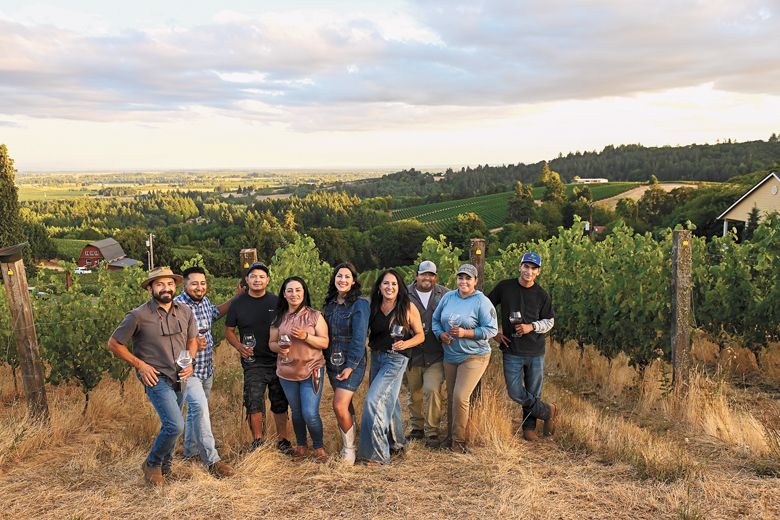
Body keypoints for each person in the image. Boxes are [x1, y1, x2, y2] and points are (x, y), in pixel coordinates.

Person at [107, 267, 198, 486]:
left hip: (180, 376)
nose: (165, 288)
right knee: (176, 425)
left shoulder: (185, 311)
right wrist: (140, 365)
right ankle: (152, 463)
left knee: (170, 423)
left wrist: (190, 361)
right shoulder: (138, 315)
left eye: (169, 284)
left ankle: (166, 469)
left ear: (174, 286)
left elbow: (192, 339)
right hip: (155, 377)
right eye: (159, 284)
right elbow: (113, 343)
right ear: (150, 288)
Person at [173, 266, 237, 477]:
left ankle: (190, 452)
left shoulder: (204, 302)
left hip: (206, 367)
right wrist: (190, 345)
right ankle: (213, 460)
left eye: (202, 283)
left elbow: (216, 313)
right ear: (185, 284)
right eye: (194, 283)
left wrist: (237, 298)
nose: (199, 287)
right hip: (188, 370)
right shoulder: (178, 307)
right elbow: (171, 341)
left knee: (195, 411)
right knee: (200, 409)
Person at [488, 252, 558, 441]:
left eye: (533, 268)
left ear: (538, 272)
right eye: (526, 266)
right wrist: (493, 332)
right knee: (514, 391)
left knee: (534, 391)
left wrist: (532, 327)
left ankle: (529, 429)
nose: (529, 271)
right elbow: (486, 307)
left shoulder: (542, 295)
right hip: (511, 348)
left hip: (535, 350)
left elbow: (549, 322)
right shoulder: (505, 287)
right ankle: (548, 410)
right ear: (520, 267)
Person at [358, 269, 425, 464]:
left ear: (399, 287)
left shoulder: (407, 307)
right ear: (379, 287)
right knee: (391, 401)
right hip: (377, 357)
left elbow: (420, 335)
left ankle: (377, 455)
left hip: (396, 359)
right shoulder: (374, 306)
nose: (390, 287)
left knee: (373, 401)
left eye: (394, 284)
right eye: (386, 283)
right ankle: (397, 443)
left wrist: (406, 343)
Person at [225, 262, 291, 453]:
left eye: (261, 276)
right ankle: (258, 441)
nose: (257, 280)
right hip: (253, 361)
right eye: (253, 276)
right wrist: (239, 346)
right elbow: (229, 331)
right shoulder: (238, 303)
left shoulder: (277, 302)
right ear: (247, 280)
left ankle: (283, 440)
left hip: (277, 360)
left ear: (267, 280)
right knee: (254, 401)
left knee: (279, 402)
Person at [432, 264, 498, 453]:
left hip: (474, 356)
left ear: (475, 281)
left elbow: (491, 330)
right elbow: (436, 321)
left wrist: (466, 332)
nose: (464, 281)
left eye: (468, 278)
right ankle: (450, 437)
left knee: (461, 396)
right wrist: (440, 334)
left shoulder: (481, 301)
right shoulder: (448, 297)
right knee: (452, 396)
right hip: (451, 355)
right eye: (461, 278)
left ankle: (459, 443)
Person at [268, 276, 329, 462]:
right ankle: (301, 446)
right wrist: (279, 347)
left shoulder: (315, 316)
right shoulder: (278, 317)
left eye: (298, 290)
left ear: (304, 293)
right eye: (290, 291)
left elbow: (325, 342)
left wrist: (305, 336)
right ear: (284, 294)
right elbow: (271, 343)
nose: (294, 294)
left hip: (312, 370)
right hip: (287, 373)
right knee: (296, 411)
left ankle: (319, 447)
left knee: (310, 412)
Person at [322, 262, 369, 465]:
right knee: (345, 405)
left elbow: (359, 338)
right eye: (339, 276)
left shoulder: (360, 305)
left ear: (354, 281)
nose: (342, 280)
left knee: (339, 405)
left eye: (347, 277)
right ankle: (352, 439)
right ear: (334, 279)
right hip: (332, 361)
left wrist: (350, 366)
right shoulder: (330, 305)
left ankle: (349, 449)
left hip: (352, 361)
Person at [405, 260, 449, 447]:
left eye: (431, 275)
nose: (427, 278)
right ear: (417, 275)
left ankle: (432, 432)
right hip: (412, 353)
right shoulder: (404, 294)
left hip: (435, 354)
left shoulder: (445, 294)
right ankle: (417, 428)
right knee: (414, 392)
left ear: (435, 277)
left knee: (432, 390)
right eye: (423, 274)